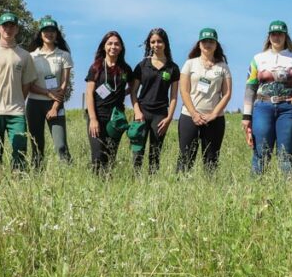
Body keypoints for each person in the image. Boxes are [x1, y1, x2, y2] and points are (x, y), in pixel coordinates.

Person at [241, 20, 292, 175]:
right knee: (261, 150)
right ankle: (256, 189)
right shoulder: (258, 59)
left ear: (286, 36)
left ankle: (289, 189)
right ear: (269, 36)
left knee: (286, 153)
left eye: (280, 34)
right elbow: (250, 88)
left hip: (288, 109)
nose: (276, 37)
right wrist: (247, 115)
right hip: (263, 107)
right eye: (273, 34)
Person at [0, 12, 39, 170]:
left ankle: (18, 180)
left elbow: (26, 85)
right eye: (5, 26)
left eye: (12, 26)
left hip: (16, 111)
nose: (8, 29)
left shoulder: (24, 56)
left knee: (20, 148)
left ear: (17, 29)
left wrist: (16, 100)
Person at [177, 27, 233, 173]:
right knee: (186, 157)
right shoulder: (190, 64)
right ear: (199, 44)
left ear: (216, 45)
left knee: (211, 159)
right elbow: (184, 90)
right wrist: (194, 114)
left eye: (211, 41)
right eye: (204, 41)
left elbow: (227, 94)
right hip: (190, 116)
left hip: (214, 119)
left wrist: (214, 114)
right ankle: (180, 188)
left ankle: (210, 191)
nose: (207, 44)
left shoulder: (223, 67)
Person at [130, 28, 180, 174]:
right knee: (137, 154)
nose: (156, 45)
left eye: (159, 41)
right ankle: (135, 184)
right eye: (152, 42)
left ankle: (152, 186)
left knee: (155, 154)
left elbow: (174, 97)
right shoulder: (142, 66)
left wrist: (169, 117)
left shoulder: (173, 68)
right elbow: (133, 92)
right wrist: (137, 112)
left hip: (161, 115)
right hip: (142, 113)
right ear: (149, 44)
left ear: (165, 44)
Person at [26, 16, 74, 168]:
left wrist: (55, 106)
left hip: (56, 104)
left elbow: (64, 84)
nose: (49, 33)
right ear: (40, 34)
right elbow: (29, 84)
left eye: (52, 30)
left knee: (61, 146)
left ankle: (68, 175)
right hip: (34, 104)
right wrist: (47, 92)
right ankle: (36, 175)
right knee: (36, 145)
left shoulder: (64, 55)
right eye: (46, 30)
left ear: (57, 34)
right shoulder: (31, 56)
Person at [84, 31, 134, 174]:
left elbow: (133, 87)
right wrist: (93, 119)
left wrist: (121, 94)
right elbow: (89, 94)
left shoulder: (125, 69)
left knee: (110, 156)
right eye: (110, 43)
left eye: (117, 44)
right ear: (104, 46)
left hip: (116, 119)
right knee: (97, 157)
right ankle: (95, 188)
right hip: (98, 116)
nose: (113, 46)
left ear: (121, 47)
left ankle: (107, 189)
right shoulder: (96, 67)